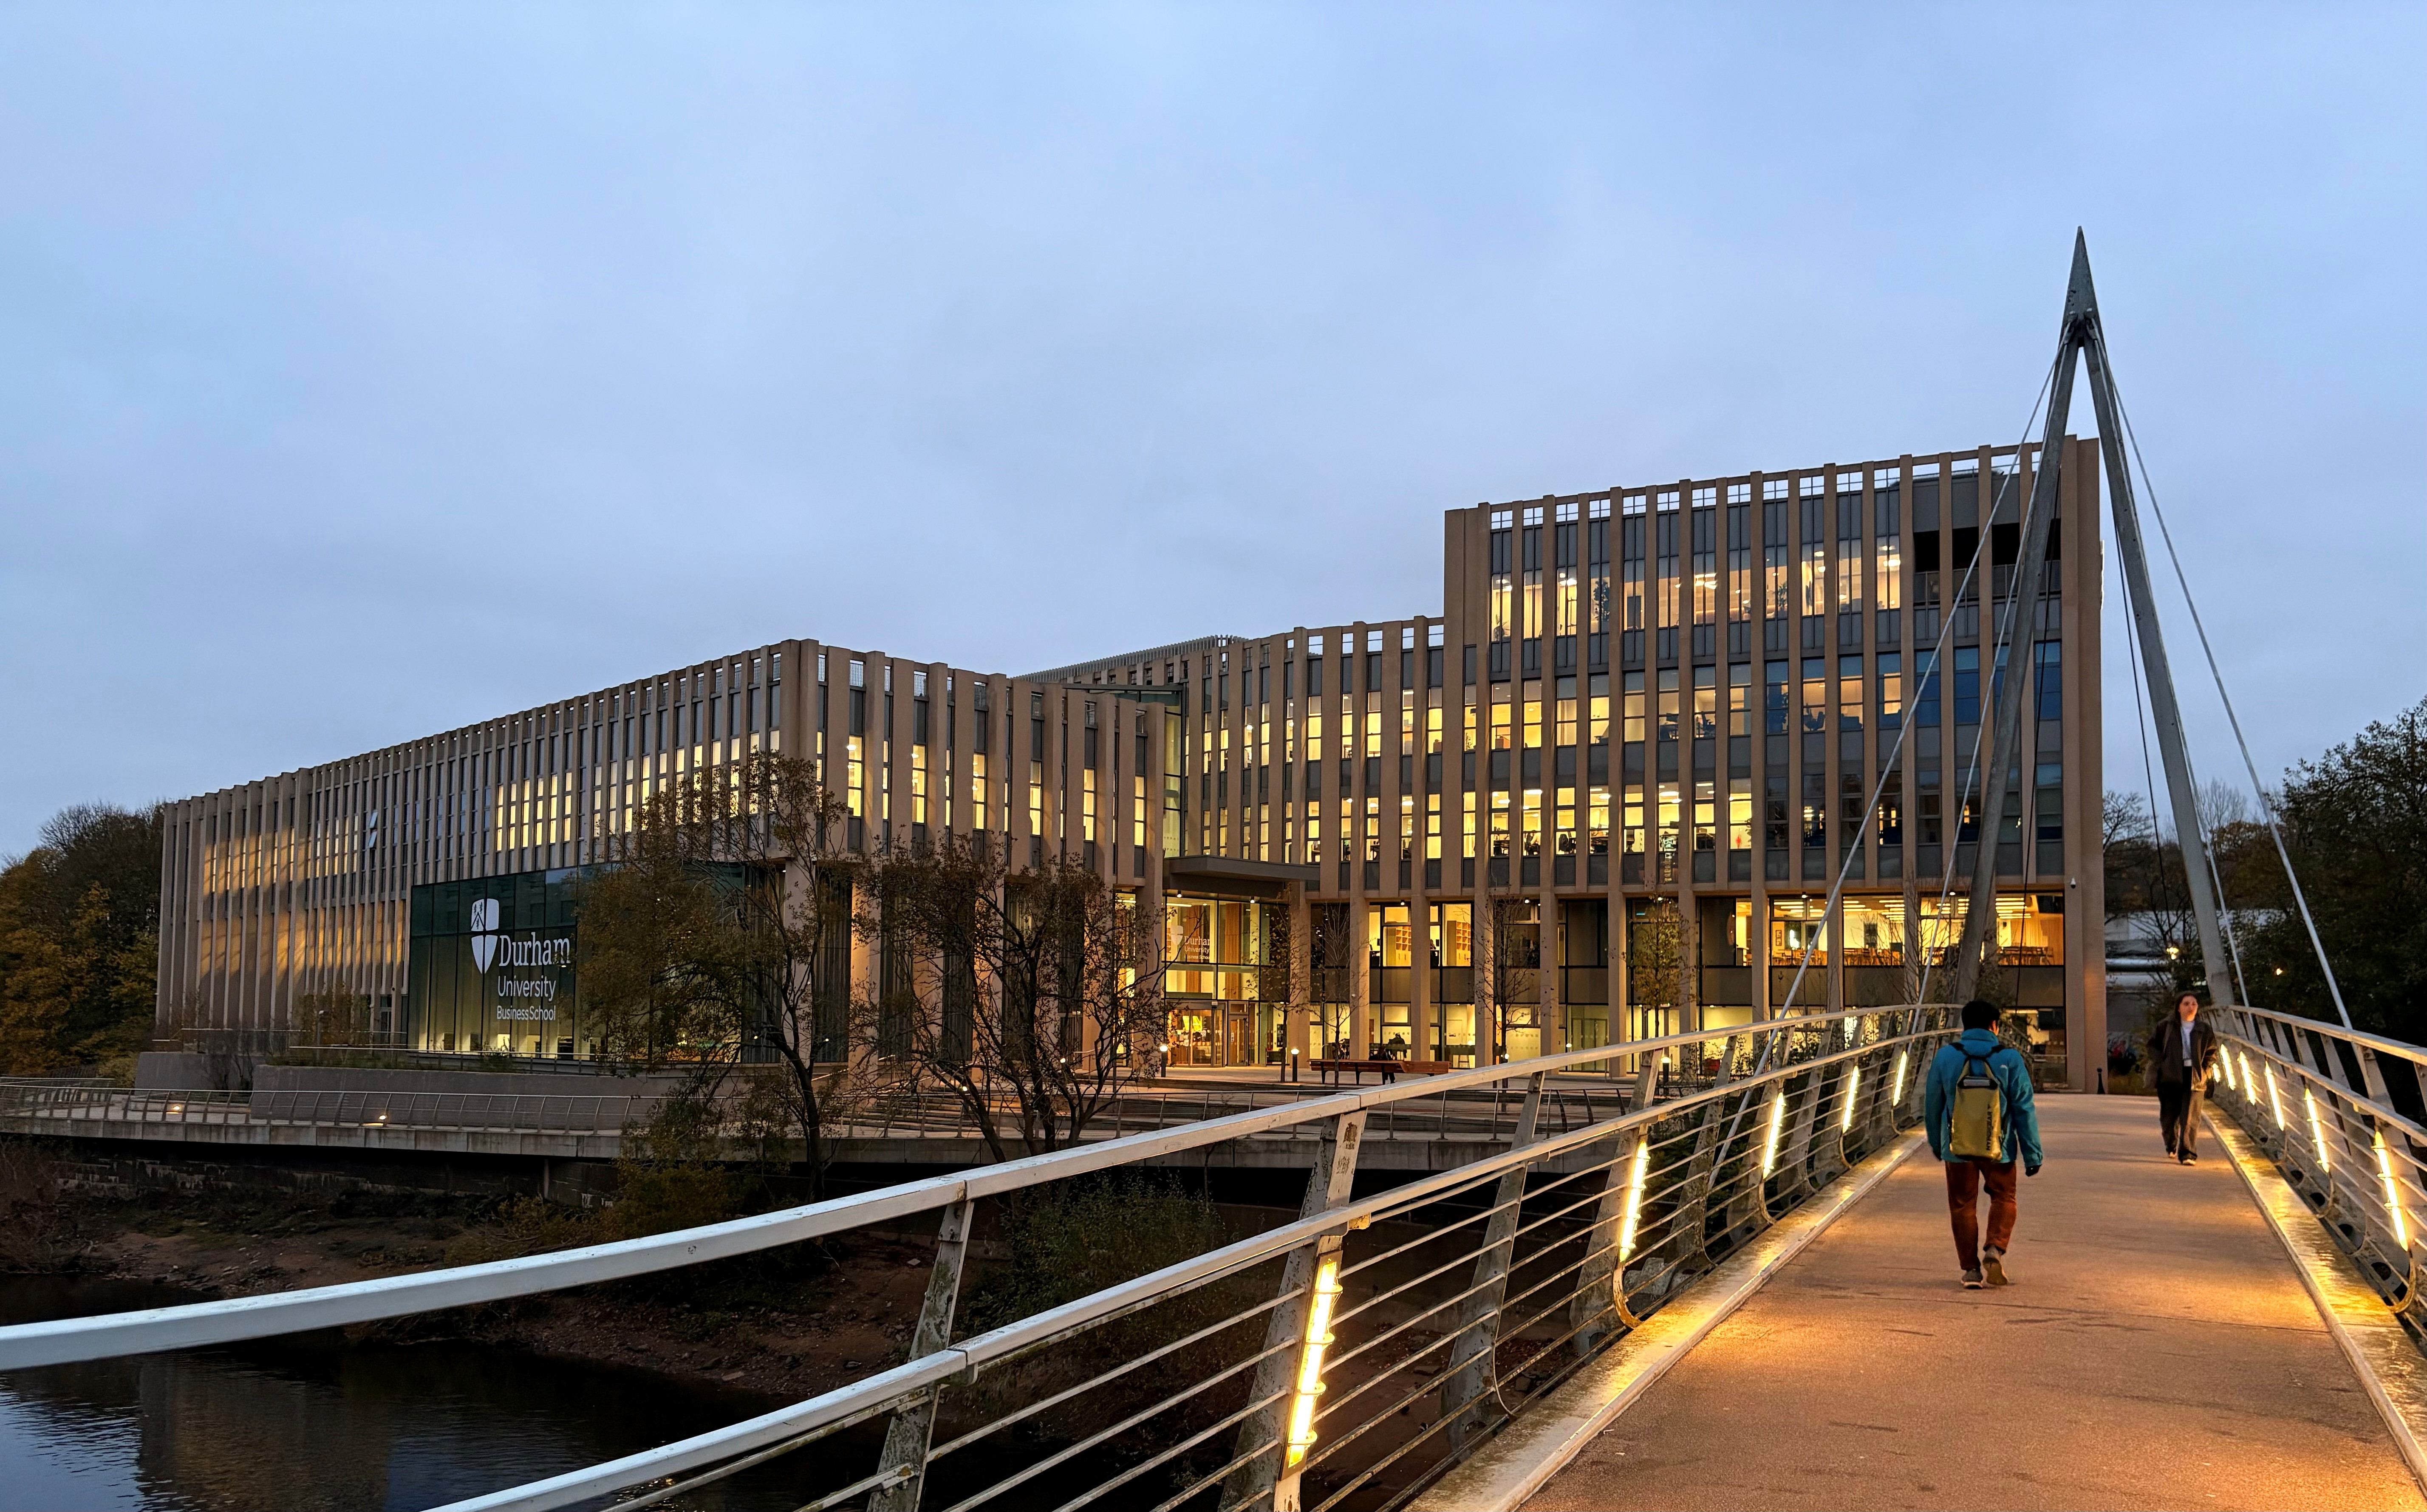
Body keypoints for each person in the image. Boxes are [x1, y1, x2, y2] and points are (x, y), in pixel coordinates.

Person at [1924, 999, 2045, 1289]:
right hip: (1999, 1149)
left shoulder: (1945, 1057)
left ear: (1965, 1025)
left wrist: (1936, 1143)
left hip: (1957, 1148)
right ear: (1994, 1026)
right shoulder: (2010, 1058)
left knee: (1962, 1205)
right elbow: (2024, 1109)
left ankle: (1971, 1271)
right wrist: (2032, 1154)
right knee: (2005, 1197)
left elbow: (1932, 1104)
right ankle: (1995, 1248)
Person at [2146, 991, 2219, 1164]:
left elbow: (2212, 1052)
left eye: (2194, 1004)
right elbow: (2152, 1046)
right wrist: (2163, 1063)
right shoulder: (2166, 1026)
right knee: (2169, 1117)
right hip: (2170, 1076)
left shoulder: (2204, 1029)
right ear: (2179, 1008)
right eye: (2186, 1004)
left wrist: (2206, 1070)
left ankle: (2188, 1154)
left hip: (2194, 1076)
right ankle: (2171, 1143)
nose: (2190, 1007)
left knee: (2190, 1117)